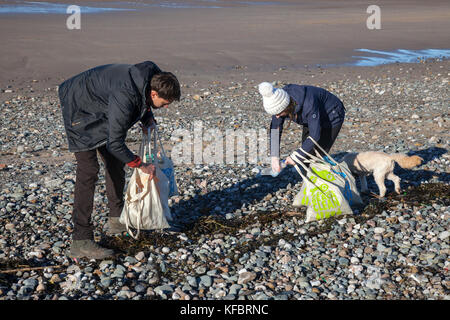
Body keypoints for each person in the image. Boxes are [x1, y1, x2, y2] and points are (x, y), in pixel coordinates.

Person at [58, 61, 181, 259]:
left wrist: (147, 116)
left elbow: (141, 102)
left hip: (101, 102)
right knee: (88, 171)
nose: (166, 107)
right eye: (165, 103)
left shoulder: (154, 78)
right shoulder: (125, 96)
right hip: (77, 104)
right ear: (154, 94)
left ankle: (117, 220)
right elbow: (115, 143)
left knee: (115, 163)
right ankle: (81, 240)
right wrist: (140, 164)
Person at [258, 81, 345, 173]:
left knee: (318, 153)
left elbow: (315, 136)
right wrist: (274, 157)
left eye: (279, 113)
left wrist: (297, 156)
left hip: (332, 115)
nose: (277, 117)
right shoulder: (277, 103)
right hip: (309, 118)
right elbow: (275, 129)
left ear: (286, 106)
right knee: (306, 151)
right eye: (275, 114)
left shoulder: (309, 103)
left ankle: (322, 179)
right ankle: (309, 175)